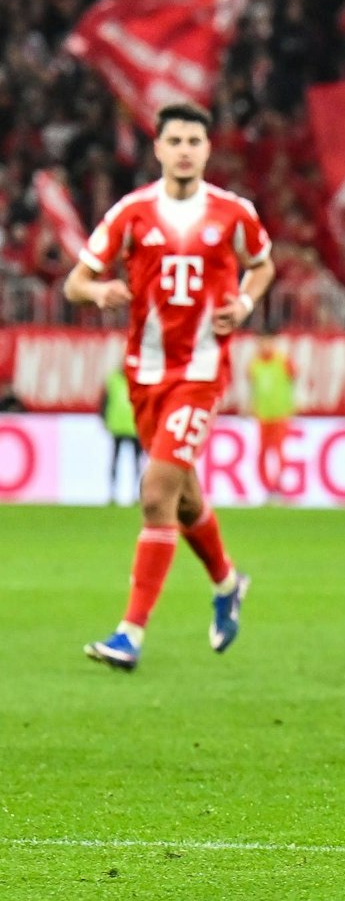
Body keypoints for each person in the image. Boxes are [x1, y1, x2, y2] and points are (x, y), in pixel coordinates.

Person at [64, 102, 272, 671]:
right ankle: (228, 583)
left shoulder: (233, 213)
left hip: (201, 373)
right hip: (144, 376)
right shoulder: (132, 213)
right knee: (183, 500)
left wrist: (246, 302)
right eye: (174, 139)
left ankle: (130, 632)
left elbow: (263, 264)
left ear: (208, 150)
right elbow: (74, 282)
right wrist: (98, 293)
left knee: (155, 494)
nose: (184, 149)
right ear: (157, 148)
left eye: (194, 140)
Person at [247, 337, 296, 503]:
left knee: (279, 452)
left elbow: (293, 382)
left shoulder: (283, 361)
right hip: (263, 415)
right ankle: (267, 487)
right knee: (262, 453)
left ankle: (278, 486)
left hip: (280, 414)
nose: (265, 345)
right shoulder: (254, 365)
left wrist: (295, 403)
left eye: (268, 342)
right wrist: (249, 404)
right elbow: (252, 388)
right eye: (262, 342)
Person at [103, 366, 142, 506]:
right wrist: (105, 420)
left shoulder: (138, 378)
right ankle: (112, 493)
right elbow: (105, 402)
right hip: (119, 426)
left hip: (134, 427)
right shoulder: (114, 379)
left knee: (136, 463)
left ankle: (136, 493)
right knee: (117, 461)